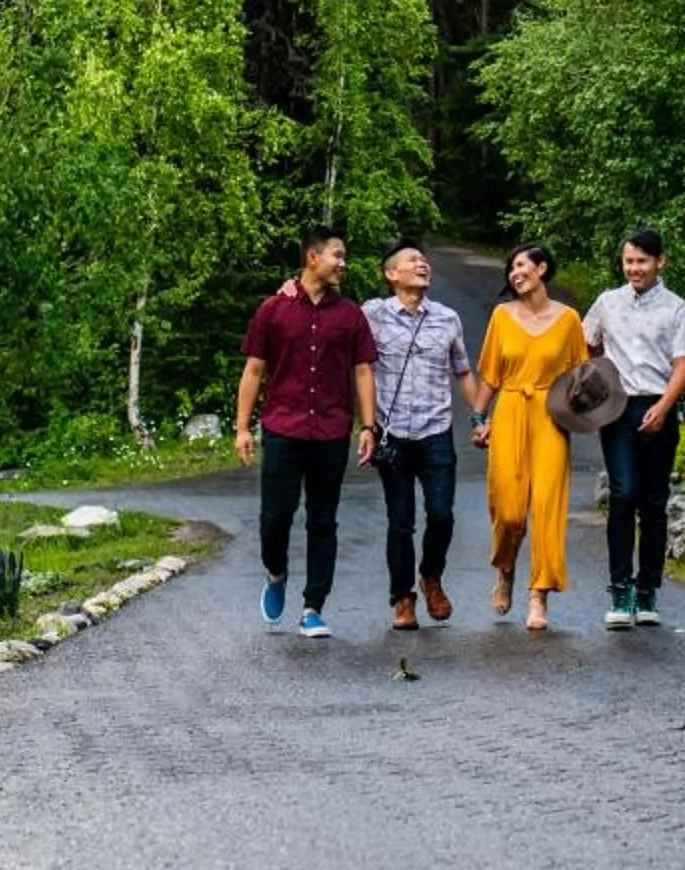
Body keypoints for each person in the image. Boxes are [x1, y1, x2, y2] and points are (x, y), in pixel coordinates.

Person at [235, 226, 378, 639]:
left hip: (332, 431)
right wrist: (242, 427)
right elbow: (254, 370)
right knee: (275, 517)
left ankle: (313, 607)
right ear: (313, 257)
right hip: (283, 427)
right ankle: (276, 573)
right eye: (338, 255)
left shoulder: (350, 314)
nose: (343, 263)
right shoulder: (273, 310)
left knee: (323, 521)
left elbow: (363, 370)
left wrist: (368, 426)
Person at [580, 225, 685, 629]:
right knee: (623, 493)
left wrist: (665, 407)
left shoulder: (676, 308)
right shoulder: (608, 302)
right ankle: (620, 588)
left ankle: (648, 589)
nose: (634, 268)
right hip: (617, 408)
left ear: (660, 262)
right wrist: (596, 378)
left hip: (658, 406)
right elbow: (585, 342)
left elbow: (683, 364)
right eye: (629, 261)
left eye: (642, 262)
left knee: (653, 501)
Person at [363, 243, 486, 631]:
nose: (422, 264)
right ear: (391, 274)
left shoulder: (447, 318)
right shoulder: (371, 315)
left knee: (442, 515)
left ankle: (431, 576)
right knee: (400, 521)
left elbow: (463, 372)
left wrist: (480, 416)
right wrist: (290, 287)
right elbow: (327, 309)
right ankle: (402, 598)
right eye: (412, 261)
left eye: (424, 260)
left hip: (436, 432)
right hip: (392, 433)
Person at [474, 243, 586, 633]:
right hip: (509, 411)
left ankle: (539, 594)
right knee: (508, 509)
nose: (514, 273)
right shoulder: (502, 316)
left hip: (551, 417)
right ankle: (505, 568)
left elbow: (582, 376)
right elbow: (489, 374)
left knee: (547, 506)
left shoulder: (570, 319)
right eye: (511, 268)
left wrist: (583, 413)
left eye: (521, 265)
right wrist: (478, 417)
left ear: (542, 268)